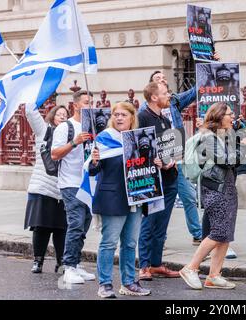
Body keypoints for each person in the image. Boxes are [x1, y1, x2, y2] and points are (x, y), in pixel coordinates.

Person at [90, 102, 151, 298]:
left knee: (130, 243)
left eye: (123, 115)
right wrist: (94, 160)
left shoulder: (140, 138)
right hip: (112, 197)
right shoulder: (104, 138)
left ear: (132, 117)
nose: (119, 118)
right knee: (109, 242)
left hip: (136, 197)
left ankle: (129, 283)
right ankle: (105, 284)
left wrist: (156, 162)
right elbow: (92, 171)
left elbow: (146, 167)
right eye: (116, 114)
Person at [179, 102, 241, 290]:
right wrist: (242, 145)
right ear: (219, 116)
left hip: (227, 188)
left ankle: (214, 275)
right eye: (229, 114)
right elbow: (229, 161)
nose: (233, 117)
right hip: (216, 190)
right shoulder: (208, 138)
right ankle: (190, 268)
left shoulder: (220, 136)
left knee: (226, 235)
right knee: (218, 233)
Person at [139, 71, 203, 246]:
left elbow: (197, 90)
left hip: (177, 158)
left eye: (164, 78)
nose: (163, 80)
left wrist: (207, 63)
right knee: (159, 203)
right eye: (158, 79)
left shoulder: (174, 101)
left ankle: (197, 234)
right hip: (157, 164)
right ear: (152, 92)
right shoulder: (143, 112)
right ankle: (158, 239)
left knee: (188, 195)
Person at [51, 90, 96, 284]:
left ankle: (76, 264)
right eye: (87, 102)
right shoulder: (65, 127)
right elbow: (54, 154)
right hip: (70, 183)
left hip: (89, 183)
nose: (90, 106)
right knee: (76, 223)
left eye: (92, 103)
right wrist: (74, 142)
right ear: (75, 105)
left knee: (84, 224)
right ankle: (68, 266)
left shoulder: (95, 126)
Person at [137, 82, 181, 280]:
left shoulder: (164, 117)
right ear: (154, 97)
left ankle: (156, 264)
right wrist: (155, 162)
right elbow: (137, 147)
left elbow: (168, 144)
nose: (169, 96)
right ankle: (144, 266)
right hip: (153, 180)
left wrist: (173, 159)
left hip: (170, 177)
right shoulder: (142, 117)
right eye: (165, 93)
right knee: (149, 223)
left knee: (161, 225)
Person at [24, 105, 69, 273]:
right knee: (41, 227)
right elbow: (30, 112)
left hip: (63, 188)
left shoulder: (69, 134)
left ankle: (62, 261)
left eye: (65, 114)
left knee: (61, 228)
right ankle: (38, 261)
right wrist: (35, 94)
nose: (62, 117)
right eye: (59, 114)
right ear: (52, 116)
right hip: (42, 187)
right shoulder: (44, 131)